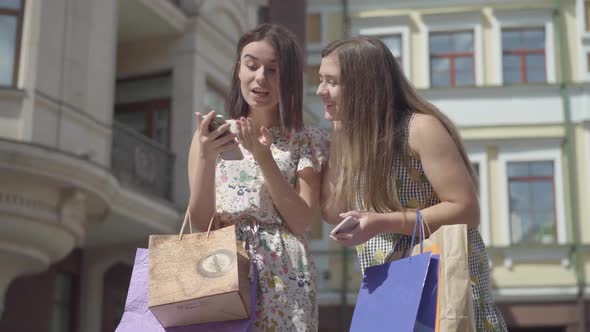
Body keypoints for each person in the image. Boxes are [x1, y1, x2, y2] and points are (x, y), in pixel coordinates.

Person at [318, 36, 507, 331]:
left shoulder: (419, 128)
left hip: (441, 282)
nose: (320, 91)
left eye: (332, 81)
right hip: (391, 286)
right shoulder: (353, 141)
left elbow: (467, 210)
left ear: (363, 85)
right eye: (321, 80)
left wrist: (380, 222)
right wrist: (339, 139)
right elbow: (332, 211)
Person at [187, 23, 327, 332]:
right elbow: (201, 222)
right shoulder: (210, 138)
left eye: (274, 70)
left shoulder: (307, 139)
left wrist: (264, 157)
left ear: (289, 79)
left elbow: (302, 220)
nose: (260, 78)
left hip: (285, 275)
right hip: (221, 267)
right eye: (251, 65)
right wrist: (207, 158)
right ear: (238, 68)